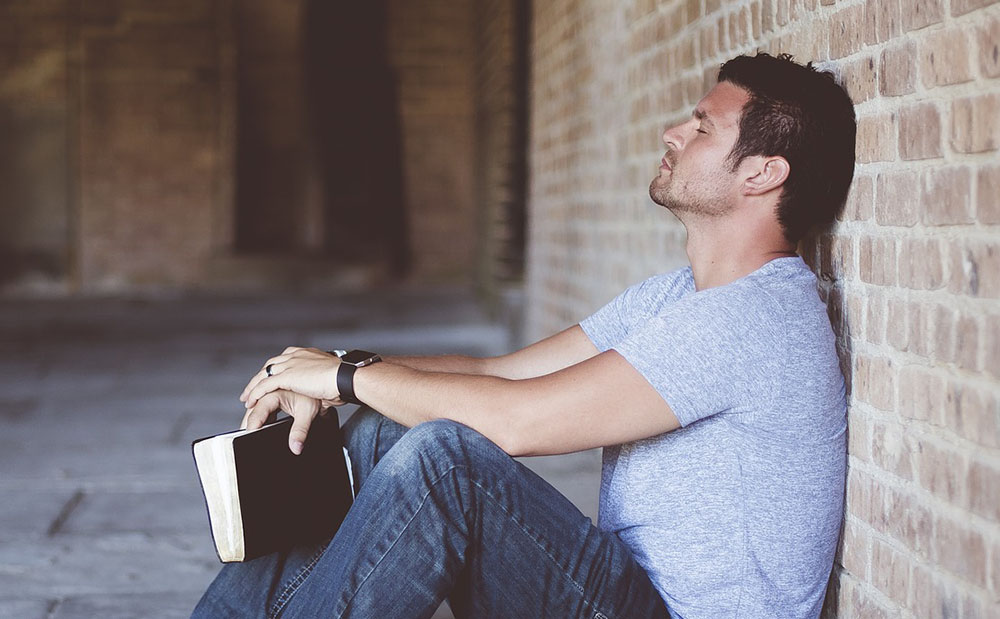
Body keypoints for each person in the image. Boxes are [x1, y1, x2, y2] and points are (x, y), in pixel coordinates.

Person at [193, 52, 857, 619]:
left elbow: (517, 421)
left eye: (703, 126)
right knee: (385, 425)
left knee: (446, 463)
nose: (674, 132)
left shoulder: (753, 318)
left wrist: (344, 378)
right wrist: (338, 369)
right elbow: (499, 375)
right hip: (626, 589)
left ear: (762, 173)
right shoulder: (677, 296)